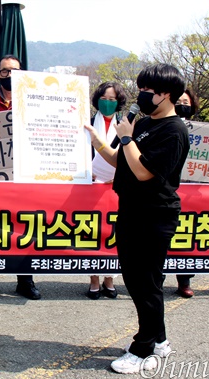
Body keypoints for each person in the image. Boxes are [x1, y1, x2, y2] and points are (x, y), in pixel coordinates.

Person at [84, 64, 189, 374]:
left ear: (167, 95)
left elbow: (144, 172)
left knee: (144, 283)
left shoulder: (174, 130)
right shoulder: (145, 124)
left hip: (154, 213)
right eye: (141, 89)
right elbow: (121, 161)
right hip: (132, 209)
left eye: (149, 91)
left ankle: (142, 348)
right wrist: (98, 141)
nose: (142, 96)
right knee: (142, 280)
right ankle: (160, 339)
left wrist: (128, 139)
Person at [0, 54, 42, 301]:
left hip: (25, 176)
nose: (9, 76)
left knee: (25, 224)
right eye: (5, 71)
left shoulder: (34, 104)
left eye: (14, 71)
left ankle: (25, 278)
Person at [85, 81, 127, 300]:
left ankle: (110, 277)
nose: (108, 103)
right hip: (91, 183)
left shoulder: (125, 124)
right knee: (93, 230)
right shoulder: (88, 122)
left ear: (118, 102)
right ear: (96, 100)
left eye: (112, 100)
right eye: (104, 99)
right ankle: (93, 277)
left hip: (116, 185)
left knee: (112, 231)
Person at [173, 87, 199, 298]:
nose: (183, 105)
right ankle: (160, 277)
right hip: (168, 188)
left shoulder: (200, 130)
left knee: (186, 234)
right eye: (179, 101)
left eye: (186, 102)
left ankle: (184, 280)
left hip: (192, 190)